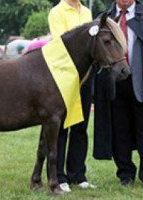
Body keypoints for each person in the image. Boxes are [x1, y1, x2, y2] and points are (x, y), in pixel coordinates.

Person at [48, 0, 95, 192]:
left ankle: (77, 174)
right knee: (61, 127)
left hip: (85, 75)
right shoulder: (57, 12)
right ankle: (59, 176)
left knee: (80, 127)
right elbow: (62, 43)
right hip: (64, 77)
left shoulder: (86, 12)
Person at [94, 0, 143, 186]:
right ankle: (125, 174)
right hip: (114, 83)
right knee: (119, 130)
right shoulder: (104, 18)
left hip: (139, 79)